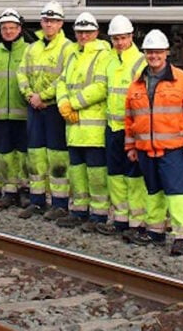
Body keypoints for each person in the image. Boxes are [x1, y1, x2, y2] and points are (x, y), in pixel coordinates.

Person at [124, 29, 183, 256]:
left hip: (172, 149)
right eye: (150, 52)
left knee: (176, 193)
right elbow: (130, 119)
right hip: (145, 150)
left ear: (167, 53)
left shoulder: (182, 81)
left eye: (158, 52)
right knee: (153, 192)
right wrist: (130, 146)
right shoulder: (137, 84)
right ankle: (155, 231)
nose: (154, 56)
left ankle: (182, 236)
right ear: (145, 54)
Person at [17, 1, 74, 220]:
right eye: (46, 20)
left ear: (61, 24)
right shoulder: (33, 48)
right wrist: (30, 95)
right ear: (41, 22)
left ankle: (59, 203)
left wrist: (44, 96)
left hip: (52, 109)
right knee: (36, 156)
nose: (49, 24)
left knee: (57, 157)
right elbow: (21, 73)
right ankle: (37, 200)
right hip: (35, 108)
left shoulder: (68, 48)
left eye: (54, 21)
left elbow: (65, 77)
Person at [55, 12, 112, 232]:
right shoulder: (72, 55)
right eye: (80, 32)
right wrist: (62, 104)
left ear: (96, 33)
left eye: (87, 32)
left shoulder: (103, 55)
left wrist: (73, 103)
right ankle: (79, 211)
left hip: (93, 129)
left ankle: (98, 215)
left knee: (96, 174)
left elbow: (101, 87)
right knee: (77, 172)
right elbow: (61, 81)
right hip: (74, 127)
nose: (83, 36)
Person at [99, 15, 148, 239]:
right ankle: (120, 220)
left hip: (132, 129)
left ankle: (137, 223)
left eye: (123, 38)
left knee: (133, 177)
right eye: (116, 39)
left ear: (131, 37)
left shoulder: (140, 62)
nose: (119, 42)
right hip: (112, 126)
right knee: (115, 175)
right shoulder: (110, 61)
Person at [0, 8, 28, 210]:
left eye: (12, 28)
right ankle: (10, 191)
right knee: (6, 155)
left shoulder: (29, 51)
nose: (9, 32)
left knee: (24, 155)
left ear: (19, 29)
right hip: (0, 114)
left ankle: (25, 191)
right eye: (5, 28)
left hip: (23, 115)